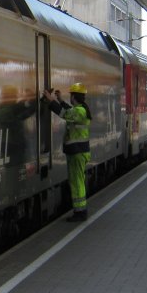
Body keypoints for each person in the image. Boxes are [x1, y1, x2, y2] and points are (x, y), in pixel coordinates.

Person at [42, 82, 92, 222]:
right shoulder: (80, 110)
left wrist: (51, 100)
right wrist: (60, 100)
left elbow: (65, 114)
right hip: (77, 152)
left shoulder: (80, 111)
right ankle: (80, 211)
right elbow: (70, 111)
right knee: (77, 182)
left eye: (70, 95)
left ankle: (80, 212)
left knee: (77, 183)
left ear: (74, 96)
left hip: (77, 153)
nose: (70, 98)